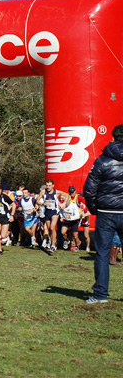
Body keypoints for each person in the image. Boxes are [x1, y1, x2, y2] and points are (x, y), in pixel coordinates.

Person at [83, 124, 123, 304]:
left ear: (112, 138)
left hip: (106, 212)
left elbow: (89, 189)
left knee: (102, 254)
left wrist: (94, 209)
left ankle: (100, 295)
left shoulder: (102, 160)